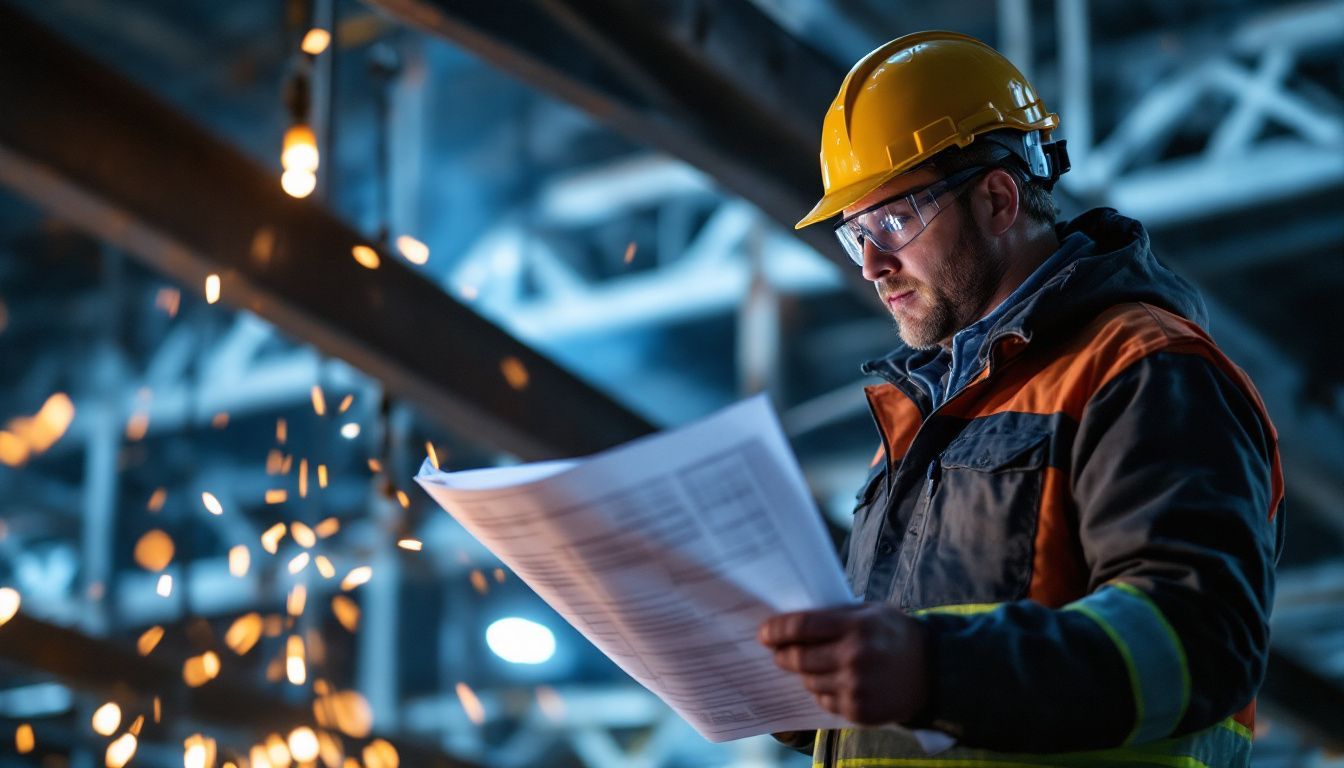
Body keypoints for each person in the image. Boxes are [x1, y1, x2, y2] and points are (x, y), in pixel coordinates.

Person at [757, 31, 1285, 766]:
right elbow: (911, 681)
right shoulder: (918, 422)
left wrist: (933, 669)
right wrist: (819, 684)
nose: (874, 264)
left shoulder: (1143, 368)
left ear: (999, 199)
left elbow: (1197, 637)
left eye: (894, 222)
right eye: (856, 236)